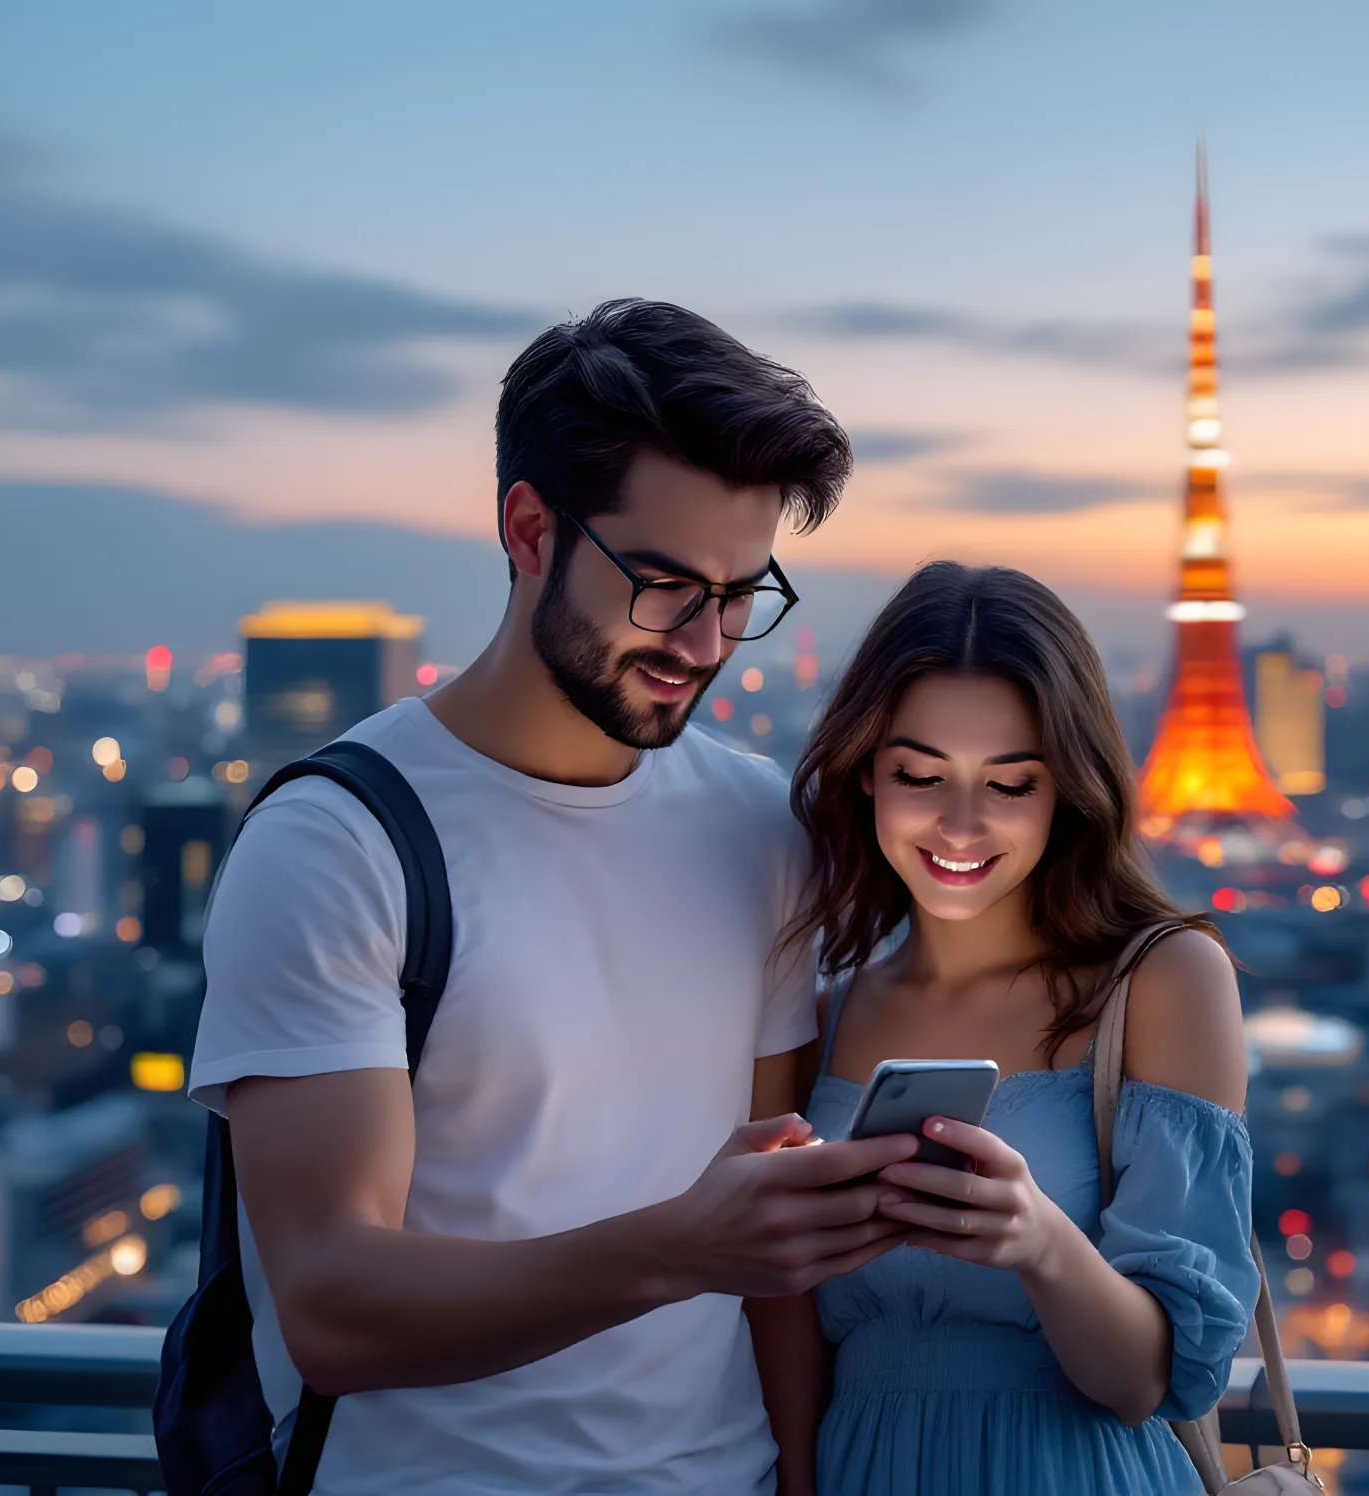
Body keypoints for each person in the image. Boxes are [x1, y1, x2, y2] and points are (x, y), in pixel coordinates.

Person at [187, 299, 921, 1496]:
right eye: (667, 583)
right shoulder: (341, 842)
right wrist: (680, 1245)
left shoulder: (759, 827)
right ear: (530, 528)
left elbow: (772, 1258)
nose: (707, 639)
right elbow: (331, 1303)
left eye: (742, 593)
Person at [776, 561, 1261, 1496]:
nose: (960, 826)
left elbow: (1151, 1382)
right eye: (918, 774)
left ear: (1066, 794)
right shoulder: (826, 1012)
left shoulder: (1160, 981)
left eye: (1010, 785)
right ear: (865, 776)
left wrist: (1037, 1239)